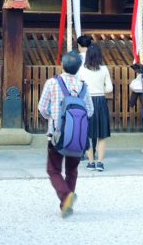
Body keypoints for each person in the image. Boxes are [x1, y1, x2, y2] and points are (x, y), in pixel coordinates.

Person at [37, 50, 94, 218]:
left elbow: (42, 107)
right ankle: (66, 206)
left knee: (53, 169)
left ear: (62, 65)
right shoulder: (84, 86)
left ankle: (65, 196)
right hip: (77, 136)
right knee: (72, 170)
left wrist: (53, 118)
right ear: (78, 68)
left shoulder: (53, 83)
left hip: (57, 134)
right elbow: (89, 111)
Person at [78, 42, 112, 171]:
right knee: (102, 134)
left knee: (86, 133)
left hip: (86, 101)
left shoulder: (81, 70)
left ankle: (91, 162)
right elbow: (109, 88)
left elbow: (78, 87)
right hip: (100, 101)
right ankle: (100, 163)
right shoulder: (104, 69)